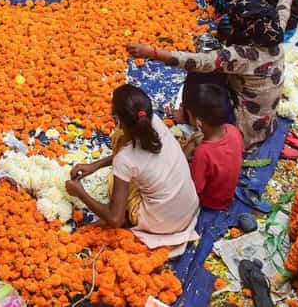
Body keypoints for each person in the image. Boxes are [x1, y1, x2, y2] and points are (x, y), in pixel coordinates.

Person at [65, 84, 199, 250]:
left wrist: (80, 192)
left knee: (115, 177)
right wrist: (94, 166)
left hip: (163, 224)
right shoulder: (153, 122)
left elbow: (115, 219)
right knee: (125, 163)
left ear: (117, 120)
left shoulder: (125, 159)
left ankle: (131, 217)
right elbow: (139, 158)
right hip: (187, 207)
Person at [181, 83, 244, 207]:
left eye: (189, 115)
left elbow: (195, 188)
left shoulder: (203, 152)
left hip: (211, 200)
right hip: (228, 194)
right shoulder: (232, 130)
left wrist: (188, 150)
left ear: (198, 121)